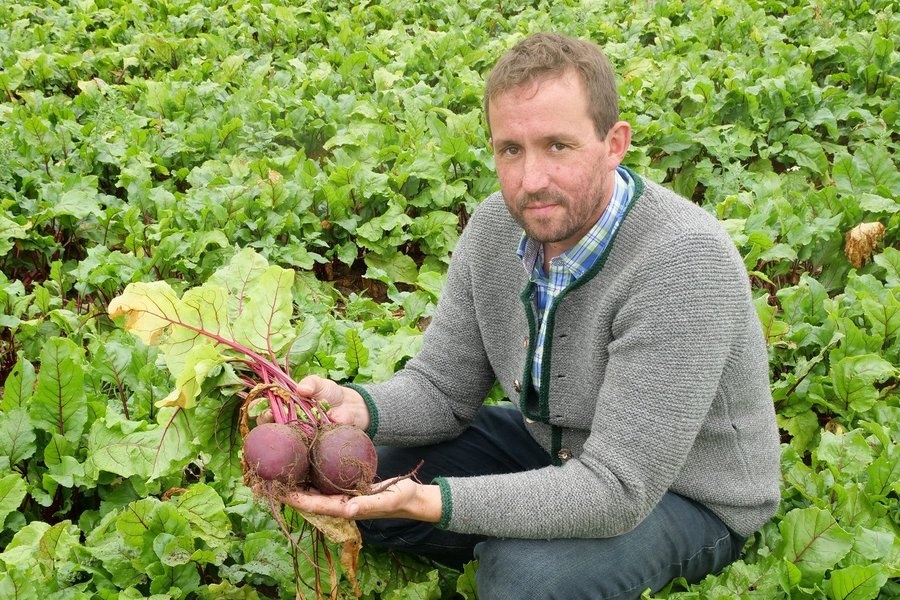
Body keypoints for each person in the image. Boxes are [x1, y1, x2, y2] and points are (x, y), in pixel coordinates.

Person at [278, 32, 782, 599]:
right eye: (511, 150)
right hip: (554, 447)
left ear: (614, 144)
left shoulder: (683, 262)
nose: (531, 180)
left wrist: (433, 502)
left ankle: (527, 537)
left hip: (683, 492)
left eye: (558, 146)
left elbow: (618, 489)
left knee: (524, 578)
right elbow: (442, 390)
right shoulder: (495, 227)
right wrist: (357, 407)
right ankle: (527, 516)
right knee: (356, 476)